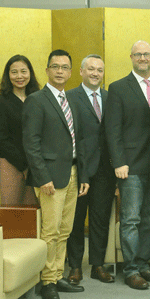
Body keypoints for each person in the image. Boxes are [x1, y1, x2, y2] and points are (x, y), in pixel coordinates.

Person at [23, 49, 90, 299]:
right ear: (47, 70)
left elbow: (79, 140)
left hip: (73, 172)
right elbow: (31, 143)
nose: (60, 71)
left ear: (71, 72)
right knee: (50, 231)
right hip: (50, 177)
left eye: (64, 67)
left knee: (66, 229)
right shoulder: (37, 100)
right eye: (55, 67)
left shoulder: (72, 99)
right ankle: (47, 280)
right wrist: (42, 177)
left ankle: (58, 274)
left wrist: (83, 175)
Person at [105, 40, 150, 290]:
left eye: (147, 54)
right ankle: (130, 269)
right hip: (130, 166)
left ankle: (143, 265)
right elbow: (113, 129)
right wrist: (118, 162)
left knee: (149, 218)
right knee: (130, 219)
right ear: (131, 57)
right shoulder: (118, 87)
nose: (143, 58)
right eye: (138, 54)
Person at [65, 54, 117, 286]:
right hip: (78, 169)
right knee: (76, 220)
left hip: (105, 170)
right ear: (81, 72)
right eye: (91, 69)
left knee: (100, 219)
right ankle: (75, 267)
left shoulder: (110, 97)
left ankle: (97, 265)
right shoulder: (69, 98)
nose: (95, 73)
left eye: (99, 70)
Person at [0, 55, 40, 205]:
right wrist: (24, 164)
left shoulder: (38, 99)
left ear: (30, 74)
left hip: (36, 164)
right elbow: (1, 139)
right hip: (11, 163)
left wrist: (34, 163)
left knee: (33, 211)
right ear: (8, 75)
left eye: (23, 72)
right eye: (14, 72)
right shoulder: (1, 101)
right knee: (10, 209)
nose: (19, 76)